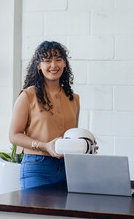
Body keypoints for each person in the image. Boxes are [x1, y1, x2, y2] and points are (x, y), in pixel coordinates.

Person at [9, 41, 81, 189]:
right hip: (37, 168)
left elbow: (71, 136)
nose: (54, 65)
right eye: (47, 61)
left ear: (65, 64)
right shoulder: (27, 96)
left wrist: (86, 146)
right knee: (38, 212)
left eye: (58, 59)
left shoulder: (74, 99)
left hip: (68, 169)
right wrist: (44, 146)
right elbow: (14, 135)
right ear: (39, 66)